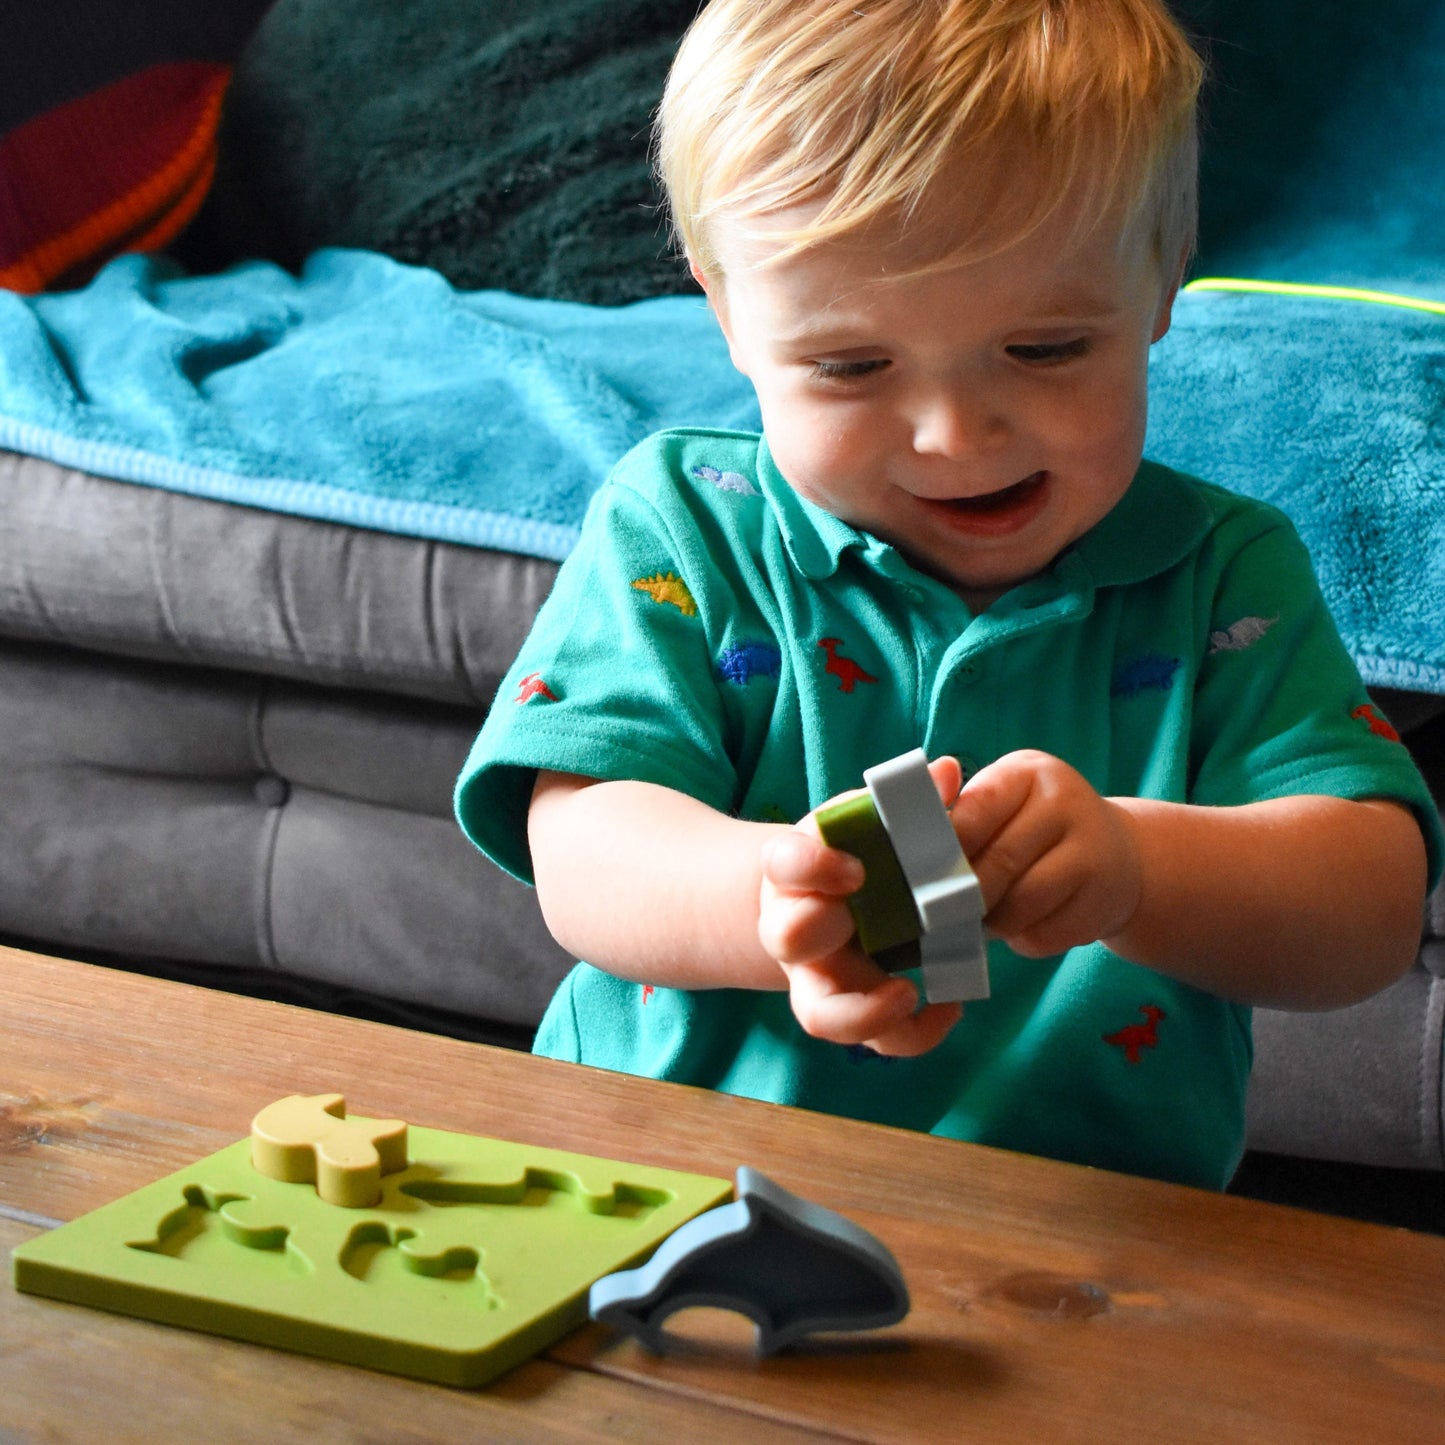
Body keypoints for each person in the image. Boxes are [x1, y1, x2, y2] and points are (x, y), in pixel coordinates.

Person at [455, 0, 1441, 1188]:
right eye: (851, 366)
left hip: (1094, 1235)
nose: (954, 435)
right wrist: (771, 897)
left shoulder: (1223, 571)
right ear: (728, 314)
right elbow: (583, 844)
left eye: (1044, 349)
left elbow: (1366, 908)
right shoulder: (683, 520)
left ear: (1160, 286)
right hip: (659, 1181)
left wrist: (1135, 865)